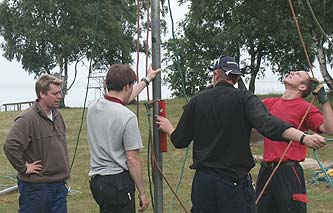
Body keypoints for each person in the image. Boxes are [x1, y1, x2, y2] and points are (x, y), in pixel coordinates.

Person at [156, 56, 326, 213]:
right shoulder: (244, 98)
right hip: (232, 180)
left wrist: (169, 128)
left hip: (203, 182)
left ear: (215, 75)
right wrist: (303, 137)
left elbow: (179, 140)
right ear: (236, 78)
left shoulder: (197, 100)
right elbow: (268, 124)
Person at [255, 70, 333, 213]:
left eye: (297, 74)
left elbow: (330, 128)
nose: (291, 71)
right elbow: (246, 111)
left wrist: (324, 100)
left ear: (302, 87)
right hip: (265, 169)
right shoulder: (269, 103)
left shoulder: (306, 108)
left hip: (288, 171)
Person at [87, 64, 160, 212]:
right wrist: (143, 193)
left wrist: (146, 80)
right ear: (127, 86)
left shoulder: (93, 107)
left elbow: (122, 100)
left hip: (98, 183)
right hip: (118, 183)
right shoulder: (127, 117)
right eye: (131, 86)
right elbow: (132, 159)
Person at [3, 74, 69, 213]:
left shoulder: (57, 115)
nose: (59, 96)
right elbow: (10, 145)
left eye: (60, 92)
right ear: (42, 94)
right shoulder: (27, 118)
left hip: (59, 185)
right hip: (36, 188)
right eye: (55, 93)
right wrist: (23, 168)